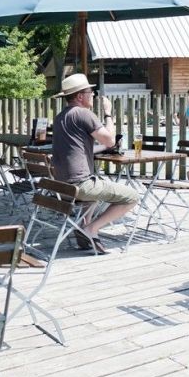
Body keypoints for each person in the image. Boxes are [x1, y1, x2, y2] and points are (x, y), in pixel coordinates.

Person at [51, 74, 137, 255]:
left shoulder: (60, 117)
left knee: (95, 185)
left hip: (61, 185)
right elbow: (110, 140)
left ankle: (83, 227)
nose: (93, 95)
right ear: (80, 96)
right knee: (132, 197)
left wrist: (98, 149)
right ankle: (91, 229)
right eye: (91, 92)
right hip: (80, 184)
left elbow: (76, 148)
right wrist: (108, 112)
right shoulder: (83, 113)